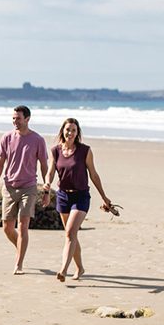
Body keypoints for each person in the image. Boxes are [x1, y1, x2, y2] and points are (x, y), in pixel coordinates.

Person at [43, 117, 114, 282]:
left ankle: (63, 270)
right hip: (62, 196)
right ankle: (80, 268)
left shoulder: (85, 151)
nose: (70, 133)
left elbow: (94, 175)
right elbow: (51, 171)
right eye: (68, 129)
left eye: (74, 130)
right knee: (72, 235)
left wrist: (104, 197)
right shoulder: (55, 150)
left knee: (69, 232)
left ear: (77, 133)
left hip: (81, 196)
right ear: (63, 131)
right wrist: (47, 183)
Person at [0, 105, 51, 275]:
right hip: (9, 187)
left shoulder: (38, 140)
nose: (15, 121)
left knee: (23, 225)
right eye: (13, 118)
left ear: (27, 119)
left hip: (29, 187)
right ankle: (21, 246)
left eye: (18, 118)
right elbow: (0, 163)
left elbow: (44, 166)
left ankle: (19, 264)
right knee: (7, 228)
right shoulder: (7, 138)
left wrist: (47, 189)